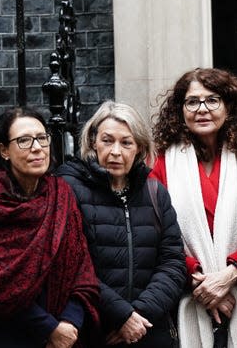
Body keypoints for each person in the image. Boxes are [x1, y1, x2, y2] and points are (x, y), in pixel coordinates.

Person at [151, 68, 237, 348]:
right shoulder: (161, 164)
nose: (202, 109)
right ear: (180, 110)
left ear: (229, 106)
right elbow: (154, 232)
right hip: (190, 293)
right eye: (192, 102)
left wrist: (232, 274)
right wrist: (200, 282)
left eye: (212, 100)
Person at [56, 101, 186, 347]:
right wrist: (121, 316)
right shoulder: (69, 189)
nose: (116, 151)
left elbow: (172, 262)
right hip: (94, 330)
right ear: (93, 142)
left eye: (126, 143)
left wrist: (138, 316)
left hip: (148, 329)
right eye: (107, 140)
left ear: (139, 148)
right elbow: (71, 265)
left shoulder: (155, 192)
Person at [0, 107, 99, 348]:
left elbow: (81, 267)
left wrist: (70, 323)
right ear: (3, 151)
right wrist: (49, 328)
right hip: (10, 334)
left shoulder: (61, 194)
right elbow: (0, 284)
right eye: (23, 140)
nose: (37, 147)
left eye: (42, 138)